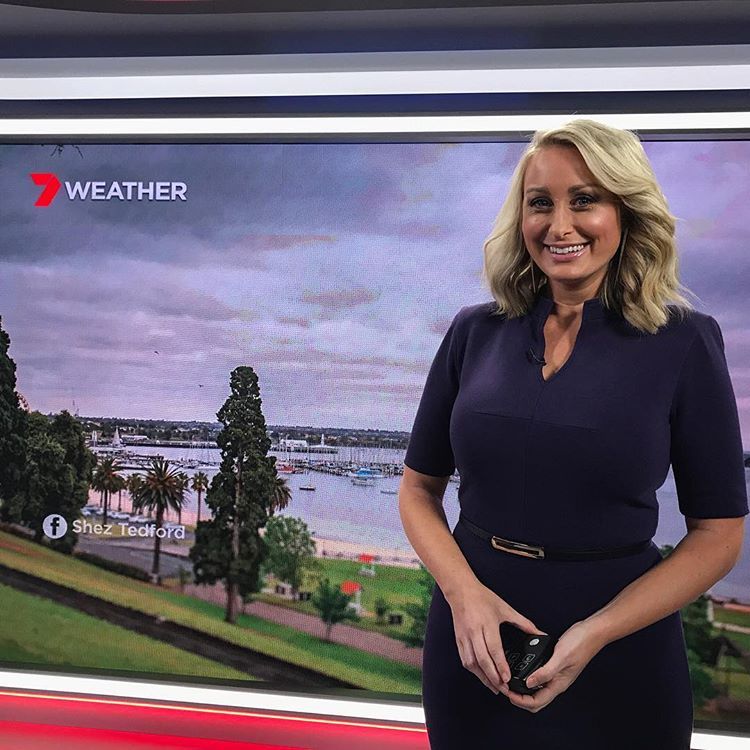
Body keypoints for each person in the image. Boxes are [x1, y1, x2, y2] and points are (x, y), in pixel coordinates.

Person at [398, 119, 748, 749]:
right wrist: (463, 597)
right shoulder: (474, 331)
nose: (559, 226)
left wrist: (596, 632)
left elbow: (718, 536)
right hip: (474, 648)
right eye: (541, 203)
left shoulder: (686, 341)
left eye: (584, 200)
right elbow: (418, 490)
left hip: (621, 654)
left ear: (625, 211)